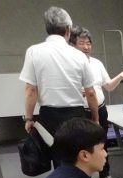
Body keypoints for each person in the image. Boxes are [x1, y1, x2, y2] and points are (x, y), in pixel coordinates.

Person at [19, 6, 99, 167]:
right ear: (68, 29)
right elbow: (90, 92)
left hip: (49, 115)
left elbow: (30, 90)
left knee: (58, 156)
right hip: (76, 115)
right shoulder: (79, 56)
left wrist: (28, 118)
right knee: (79, 157)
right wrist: (95, 119)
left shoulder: (34, 52)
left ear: (47, 28)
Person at [69, 26, 123, 178]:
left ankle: (104, 173)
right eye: (82, 43)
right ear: (72, 45)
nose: (86, 47)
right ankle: (79, 177)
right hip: (80, 112)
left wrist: (120, 76)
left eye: (88, 43)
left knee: (101, 143)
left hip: (100, 109)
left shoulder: (96, 63)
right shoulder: (69, 65)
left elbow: (109, 86)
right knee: (80, 146)